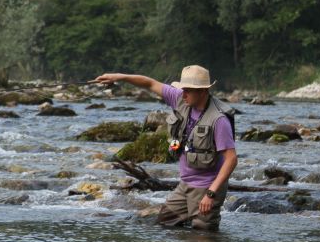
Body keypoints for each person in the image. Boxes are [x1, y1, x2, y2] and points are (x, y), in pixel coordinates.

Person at [89, 65, 237, 231]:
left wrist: (211, 194)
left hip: (206, 187)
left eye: (188, 90)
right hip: (185, 185)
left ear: (203, 91)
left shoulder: (218, 120)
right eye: (183, 89)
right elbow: (149, 83)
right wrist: (118, 76)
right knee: (165, 222)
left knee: (203, 238)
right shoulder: (180, 98)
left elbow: (231, 159)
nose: (184, 93)